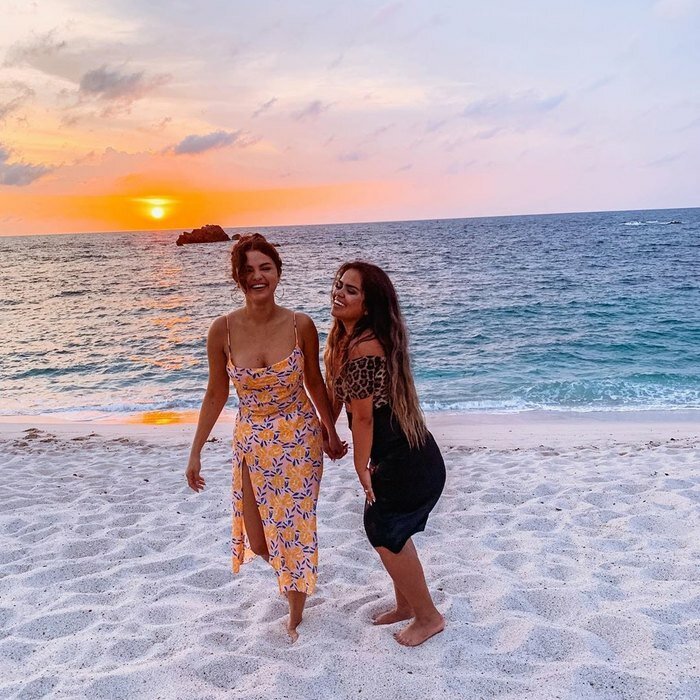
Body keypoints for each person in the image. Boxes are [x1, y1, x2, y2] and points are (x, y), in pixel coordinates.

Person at [185, 233, 345, 642]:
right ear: (238, 277)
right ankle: (295, 574)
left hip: (299, 436)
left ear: (278, 272)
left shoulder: (299, 324)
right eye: (249, 270)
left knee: (294, 526)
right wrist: (196, 450)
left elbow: (314, 382)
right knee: (258, 540)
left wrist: (330, 430)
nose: (258, 276)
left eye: (265, 268)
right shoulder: (221, 330)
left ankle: (295, 610)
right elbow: (216, 392)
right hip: (252, 440)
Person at [324, 261, 446, 647]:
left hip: (406, 460)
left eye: (351, 290)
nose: (339, 293)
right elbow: (337, 396)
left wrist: (360, 465)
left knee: (384, 530)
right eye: (339, 285)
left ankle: (428, 617)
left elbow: (363, 417)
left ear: (369, 305)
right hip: (405, 454)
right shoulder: (346, 340)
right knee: (391, 529)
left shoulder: (364, 346)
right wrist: (328, 433)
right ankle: (407, 606)